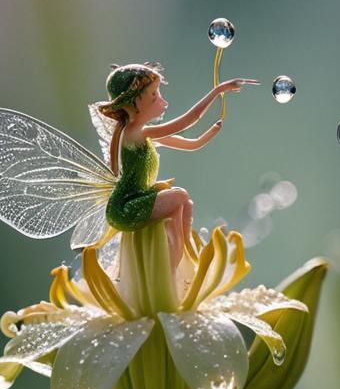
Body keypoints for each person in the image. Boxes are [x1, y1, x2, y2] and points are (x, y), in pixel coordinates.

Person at [97, 63, 256, 266]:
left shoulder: (144, 137)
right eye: (154, 95)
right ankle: (171, 269)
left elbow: (192, 145)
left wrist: (211, 133)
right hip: (125, 209)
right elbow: (188, 121)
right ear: (131, 102)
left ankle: (184, 259)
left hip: (137, 199)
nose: (162, 101)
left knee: (185, 203)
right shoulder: (135, 134)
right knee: (179, 196)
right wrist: (218, 90)